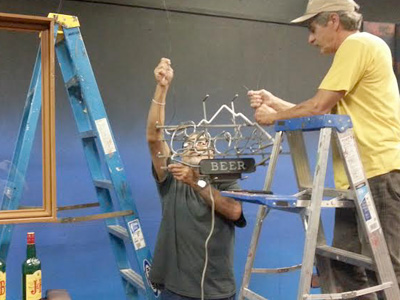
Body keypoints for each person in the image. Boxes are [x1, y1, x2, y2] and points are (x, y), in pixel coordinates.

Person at [248, 0, 400, 299]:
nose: (310, 38)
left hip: (380, 172)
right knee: (346, 270)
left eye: (312, 28)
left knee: (389, 273)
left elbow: (318, 105)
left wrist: (272, 116)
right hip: (356, 179)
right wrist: (275, 102)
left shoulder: (358, 44)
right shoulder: (358, 50)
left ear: (333, 20)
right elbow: (324, 113)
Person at [147, 58, 246, 300]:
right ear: (182, 153)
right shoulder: (172, 177)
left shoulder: (224, 179)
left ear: (213, 154)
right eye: (191, 143)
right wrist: (162, 88)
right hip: (175, 290)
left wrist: (196, 181)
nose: (197, 145)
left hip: (217, 291)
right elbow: (153, 138)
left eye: (204, 143)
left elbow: (234, 212)